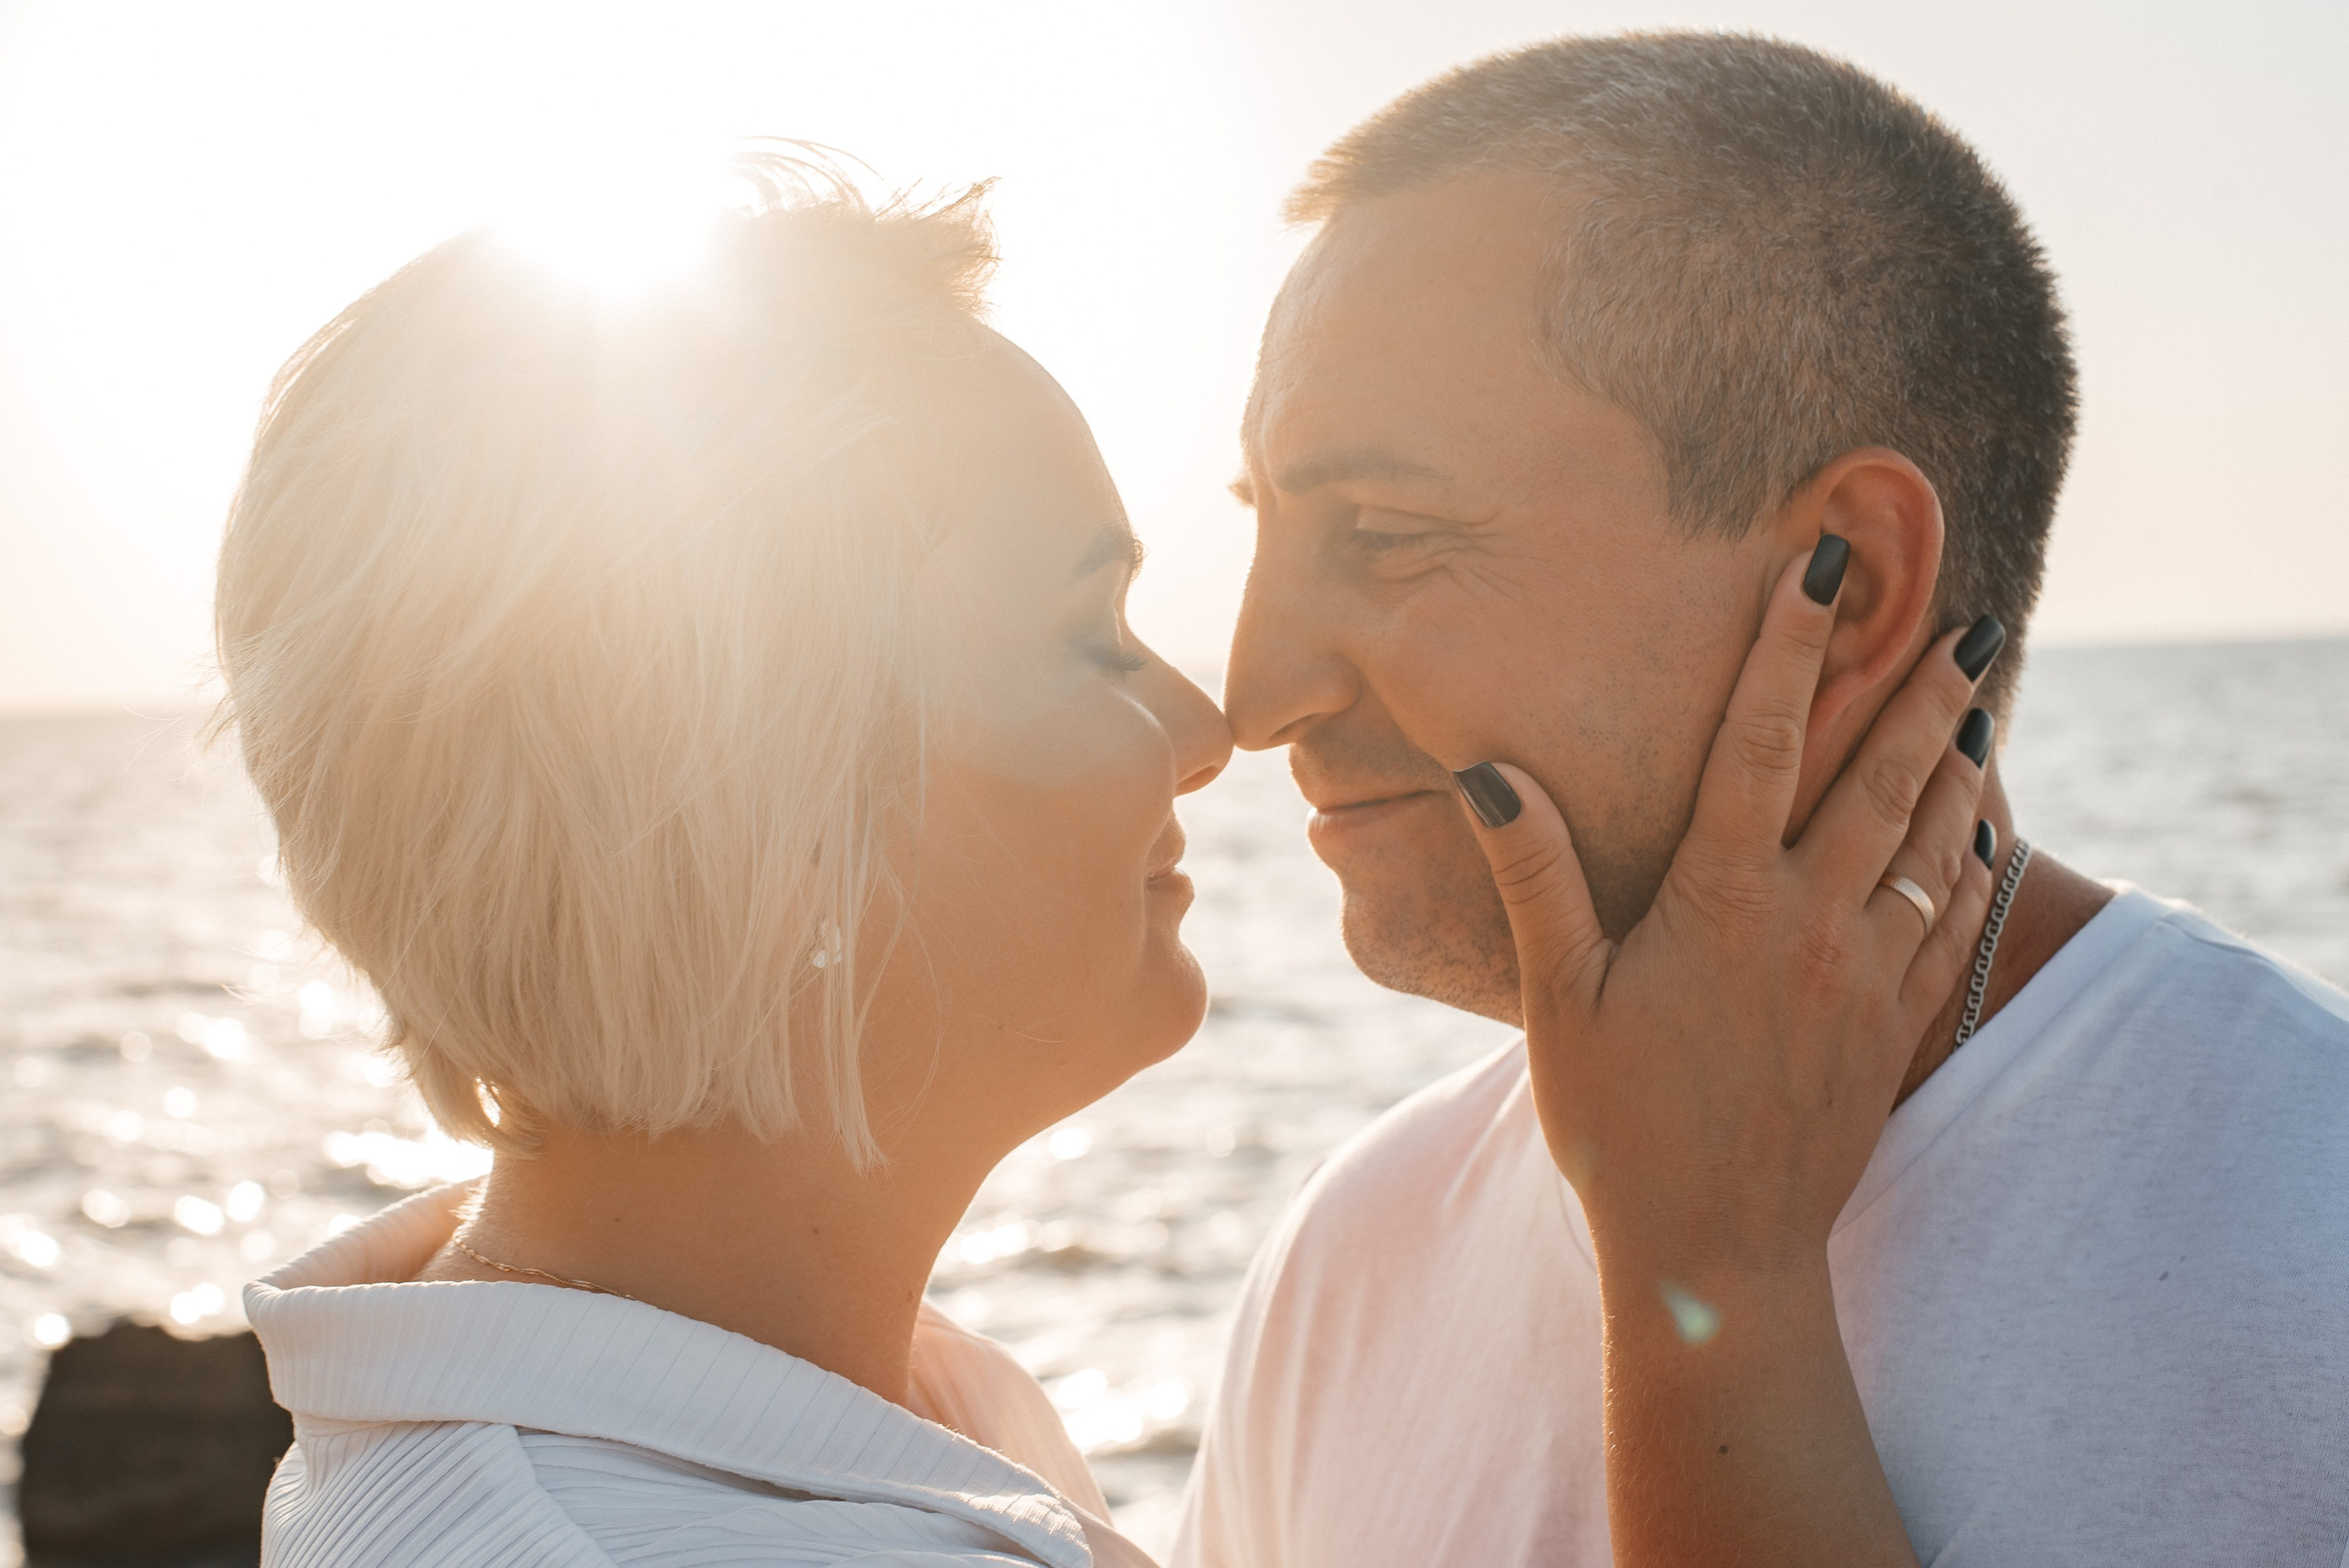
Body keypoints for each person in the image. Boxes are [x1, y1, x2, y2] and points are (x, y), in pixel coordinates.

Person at [223, 148, 1996, 1566]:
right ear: (781, 825)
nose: (1212, 714)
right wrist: (1721, 1280)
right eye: (1089, 637)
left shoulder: (739, 1414)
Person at [1177, 31, 2349, 1568]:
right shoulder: (1353, 1253)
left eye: (1388, 532)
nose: (1254, 694)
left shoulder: (2311, 1241)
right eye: (1269, 525)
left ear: (1850, 587)